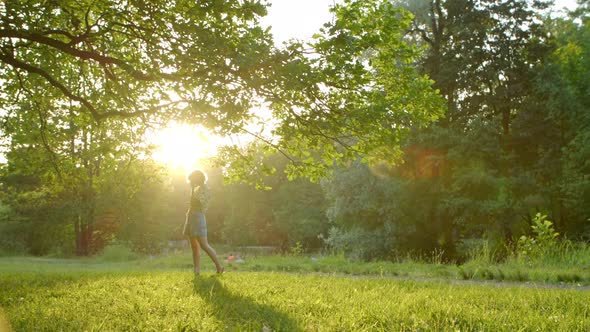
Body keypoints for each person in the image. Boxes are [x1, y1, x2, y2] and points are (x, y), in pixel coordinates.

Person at [183, 169, 224, 275]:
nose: (191, 182)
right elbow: (192, 203)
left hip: (198, 217)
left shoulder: (205, 189)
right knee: (194, 246)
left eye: (192, 180)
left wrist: (192, 189)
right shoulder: (197, 188)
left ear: (197, 178)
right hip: (192, 217)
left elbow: (196, 202)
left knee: (204, 245)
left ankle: (219, 267)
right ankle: (196, 271)